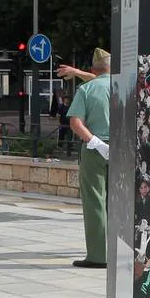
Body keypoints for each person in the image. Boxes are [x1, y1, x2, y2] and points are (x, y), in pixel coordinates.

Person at [60, 48, 111, 269]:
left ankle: (99, 256)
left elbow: (75, 122)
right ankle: (120, 252)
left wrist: (96, 142)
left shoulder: (86, 90)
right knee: (120, 204)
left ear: (92, 69)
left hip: (94, 150)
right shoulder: (126, 86)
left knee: (95, 202)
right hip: (123, 149)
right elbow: (103, 78)